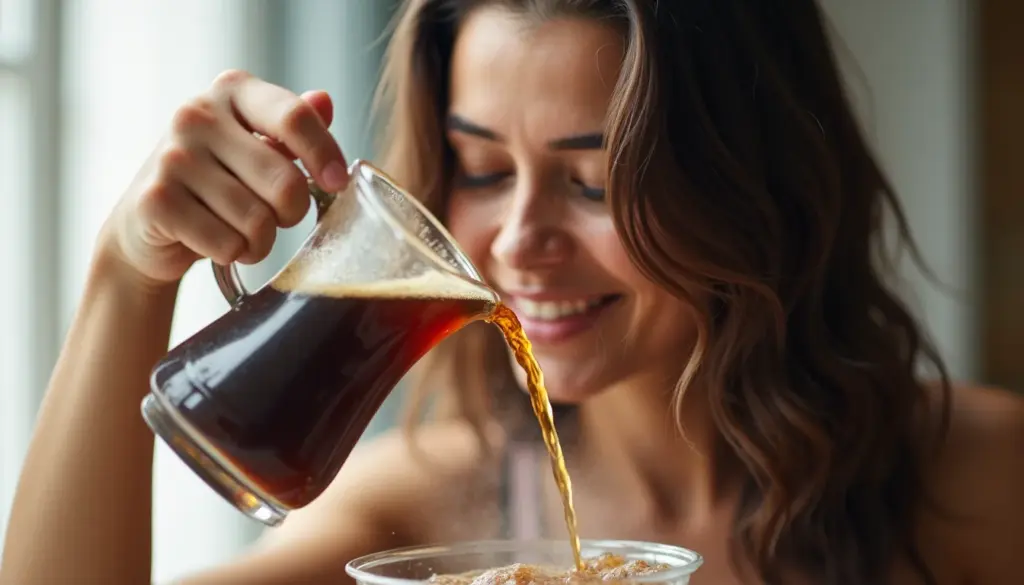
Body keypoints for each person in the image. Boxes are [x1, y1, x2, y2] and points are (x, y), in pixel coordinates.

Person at [1, 0, 1022, 584]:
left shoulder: (974, 478)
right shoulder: (424, 512)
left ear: (751, 185)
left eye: (593, 181)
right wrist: (127, 274)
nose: (520, 244)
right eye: (482, 170)